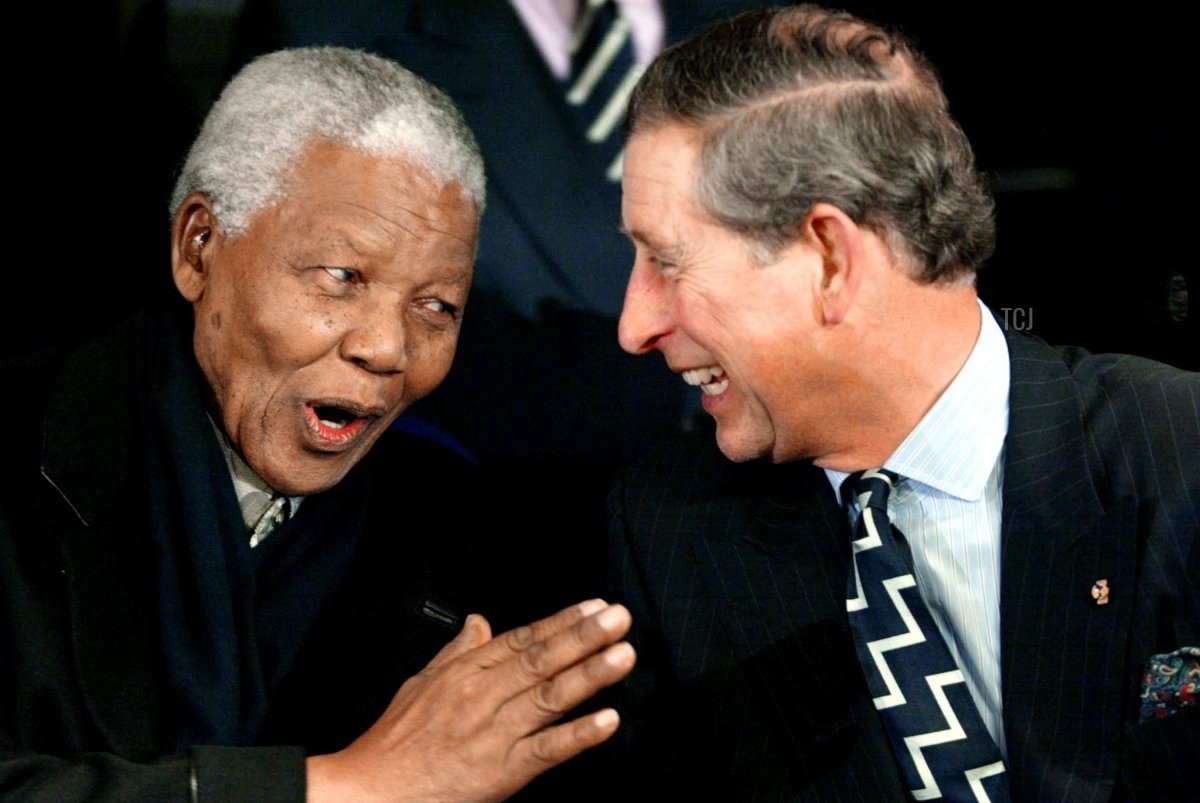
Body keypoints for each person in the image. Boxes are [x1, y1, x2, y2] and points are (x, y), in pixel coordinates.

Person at [0, 47, 635, 802]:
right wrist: (337, 787)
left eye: (436, 306)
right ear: (198, 247)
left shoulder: (455, 531)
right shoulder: (26, 448)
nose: (388, 349)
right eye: (343, 277)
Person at [609, 6, 1198, 801]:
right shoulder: (669, 533)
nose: (634, 325)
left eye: (668, 262)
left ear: (829, 258)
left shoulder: (1182, 453)